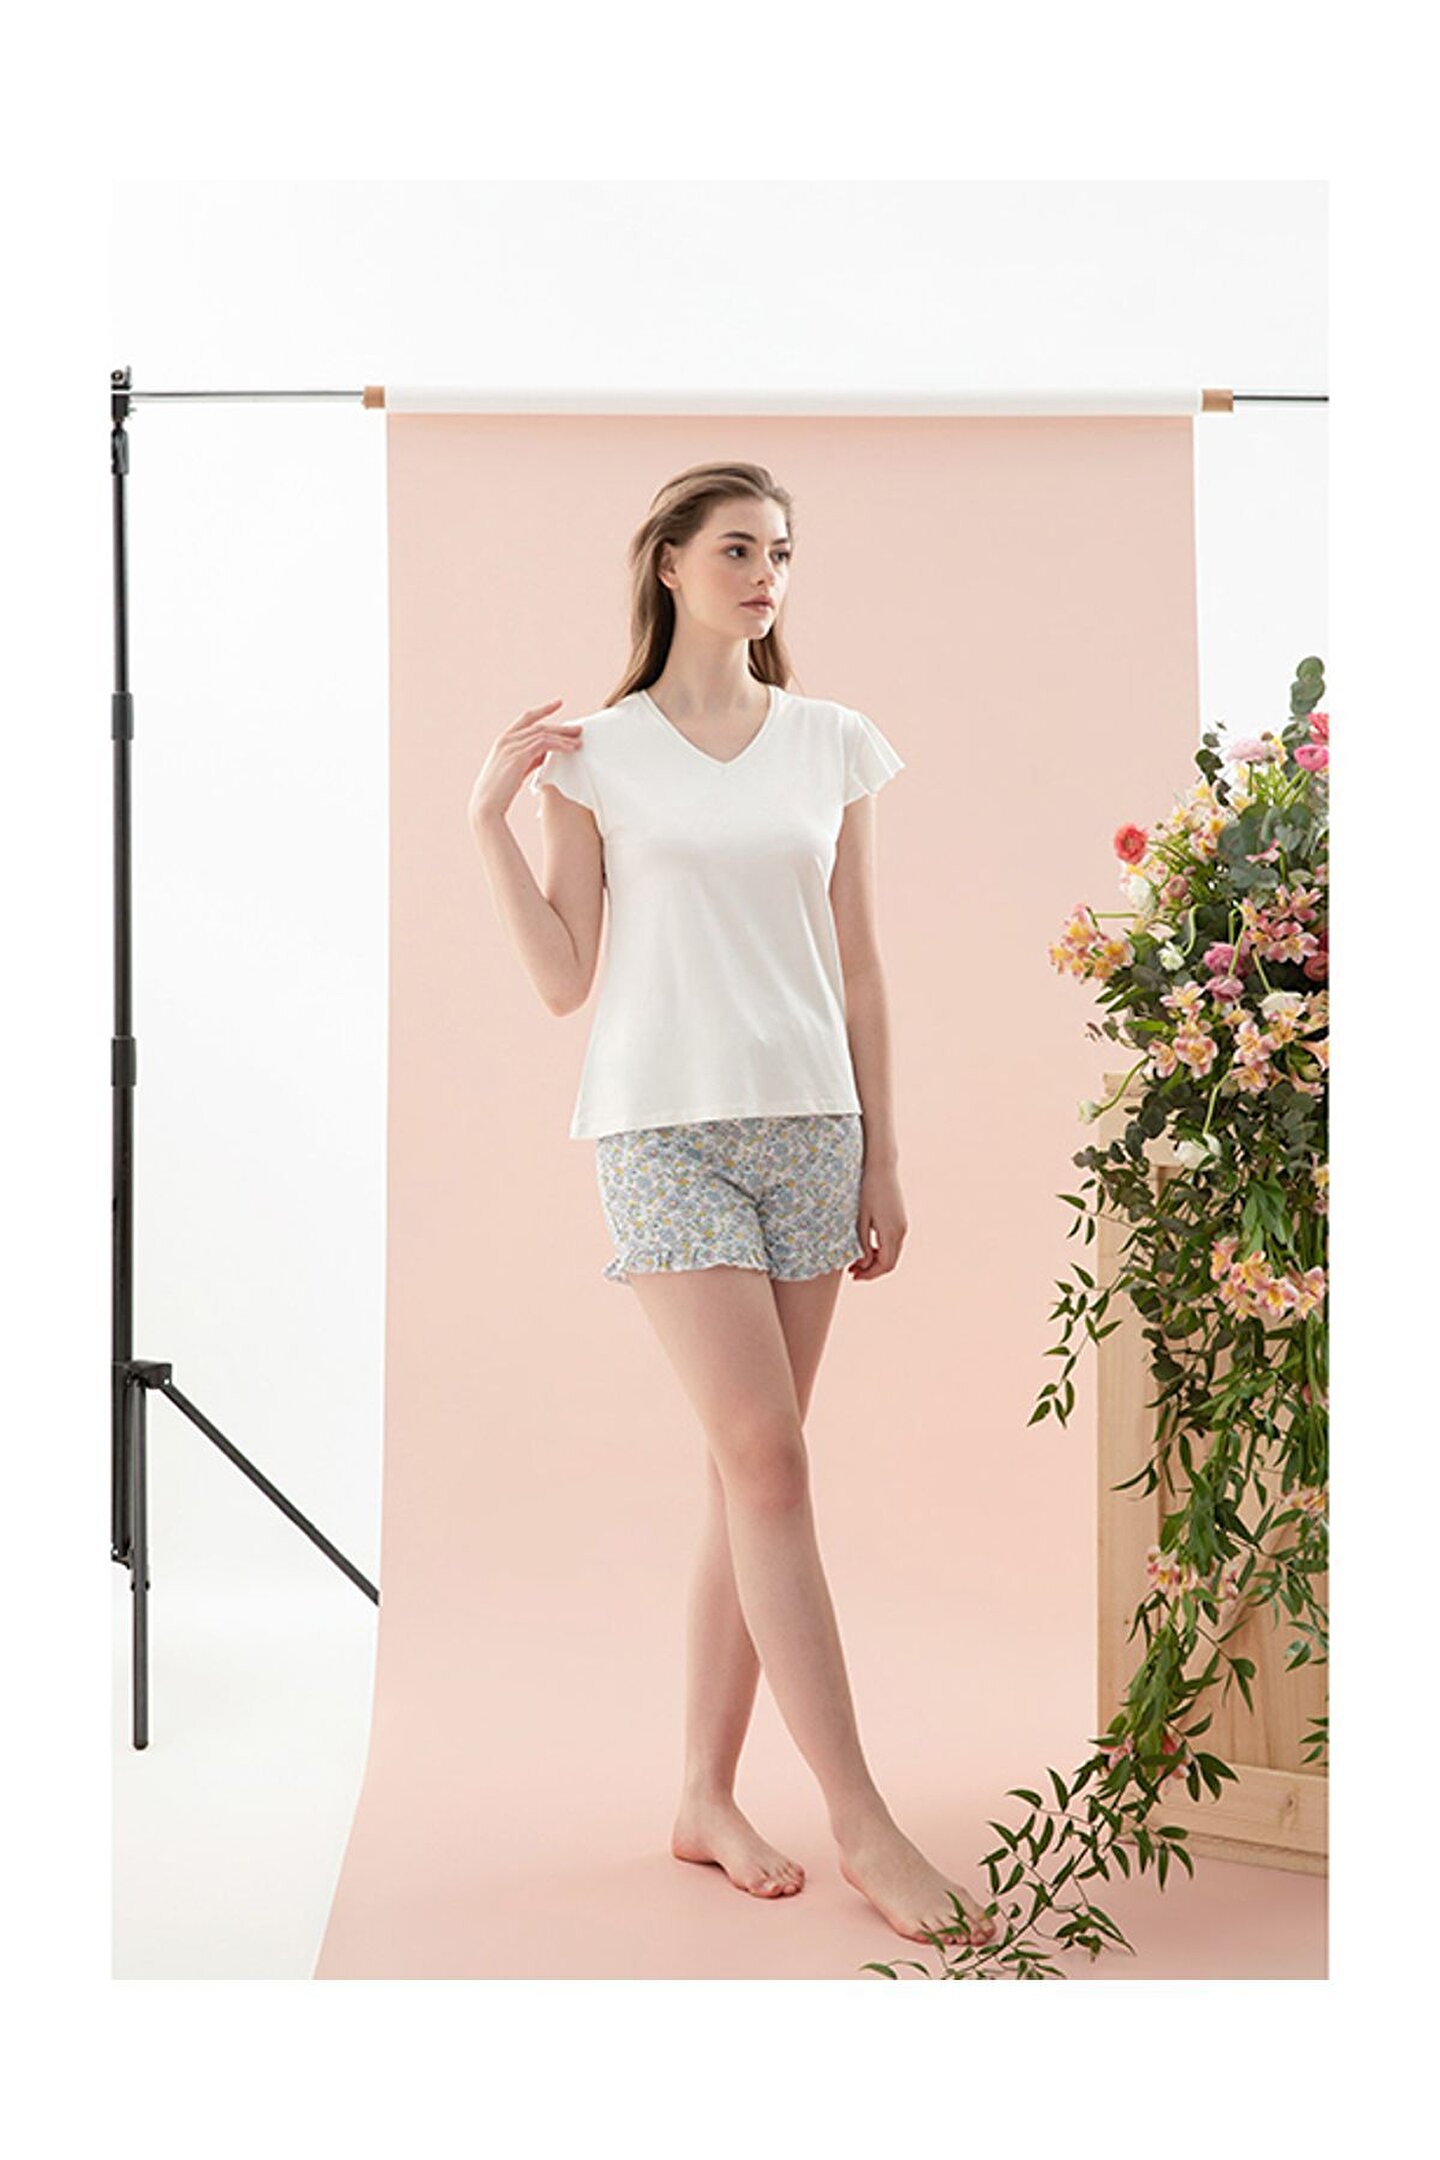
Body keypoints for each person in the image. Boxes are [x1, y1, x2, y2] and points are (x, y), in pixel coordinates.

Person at [467, 461, 996, 1951]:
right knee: (768, 1459)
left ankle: (703, 1795)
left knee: (743, 1477)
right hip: (662, 1130)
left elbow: (861, 964)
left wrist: (884, 1155)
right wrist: (486, 823)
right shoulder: (598, 756)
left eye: (782, 552)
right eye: (740, 549)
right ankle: (861, 1816)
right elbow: (565, 977)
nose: (768, 574)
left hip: (814, 1130)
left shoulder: (832, 742)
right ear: (671, 565)